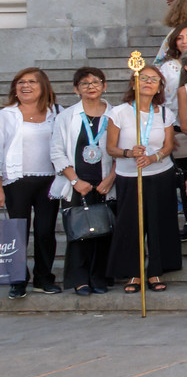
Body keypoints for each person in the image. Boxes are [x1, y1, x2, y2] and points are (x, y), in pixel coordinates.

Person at [107, 63, 182, 293]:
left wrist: (153, 157)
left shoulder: (165, 113)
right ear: (134, 83)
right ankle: (133, 273)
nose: (149, 82)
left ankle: (156, 270)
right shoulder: (119, 112)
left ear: (160, 87)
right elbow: (111, 148)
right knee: (131, 224)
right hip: (129, 175)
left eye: (154, 79)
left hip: (159, 174)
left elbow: (169, 145)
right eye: (144, 78)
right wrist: (129, 152)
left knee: (160, 223)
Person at [52, 67, 116, 295]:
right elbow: (57, 152)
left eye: (96, 82)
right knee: (79, 233)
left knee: (103, 231)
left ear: (105, 86)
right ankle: (80, 279)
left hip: (106, 184)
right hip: (76, 184)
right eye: (85, 83)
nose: (91, 86)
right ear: (76, 89)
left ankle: (100, 276)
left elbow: (121, 148)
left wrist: (111, 178)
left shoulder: (115, 114)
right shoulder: (66, 116)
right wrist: (75, 180)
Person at [0, 67, 60, 297]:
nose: (25, 86)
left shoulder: (57, 113)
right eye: (20, 82)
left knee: (45, 231)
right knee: (16, 232)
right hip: (16, 181)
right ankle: (17, 279)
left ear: (44, 86)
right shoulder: (6, 115)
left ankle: (43, 278)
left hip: (49, 181)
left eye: (32, 82)